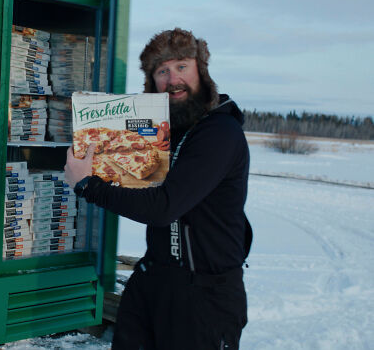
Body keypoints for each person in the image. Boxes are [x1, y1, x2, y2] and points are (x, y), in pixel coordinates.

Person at [65, 28, 252, 349]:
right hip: (153, 280)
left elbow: (164, 206)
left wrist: (87, 185)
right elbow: (131, 178)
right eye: (162, 71)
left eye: (181, 66)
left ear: (201, 71)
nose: (172, 79)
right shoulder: (165, 135)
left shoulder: (219, 133)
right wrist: (91, 155)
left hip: (204, 295)